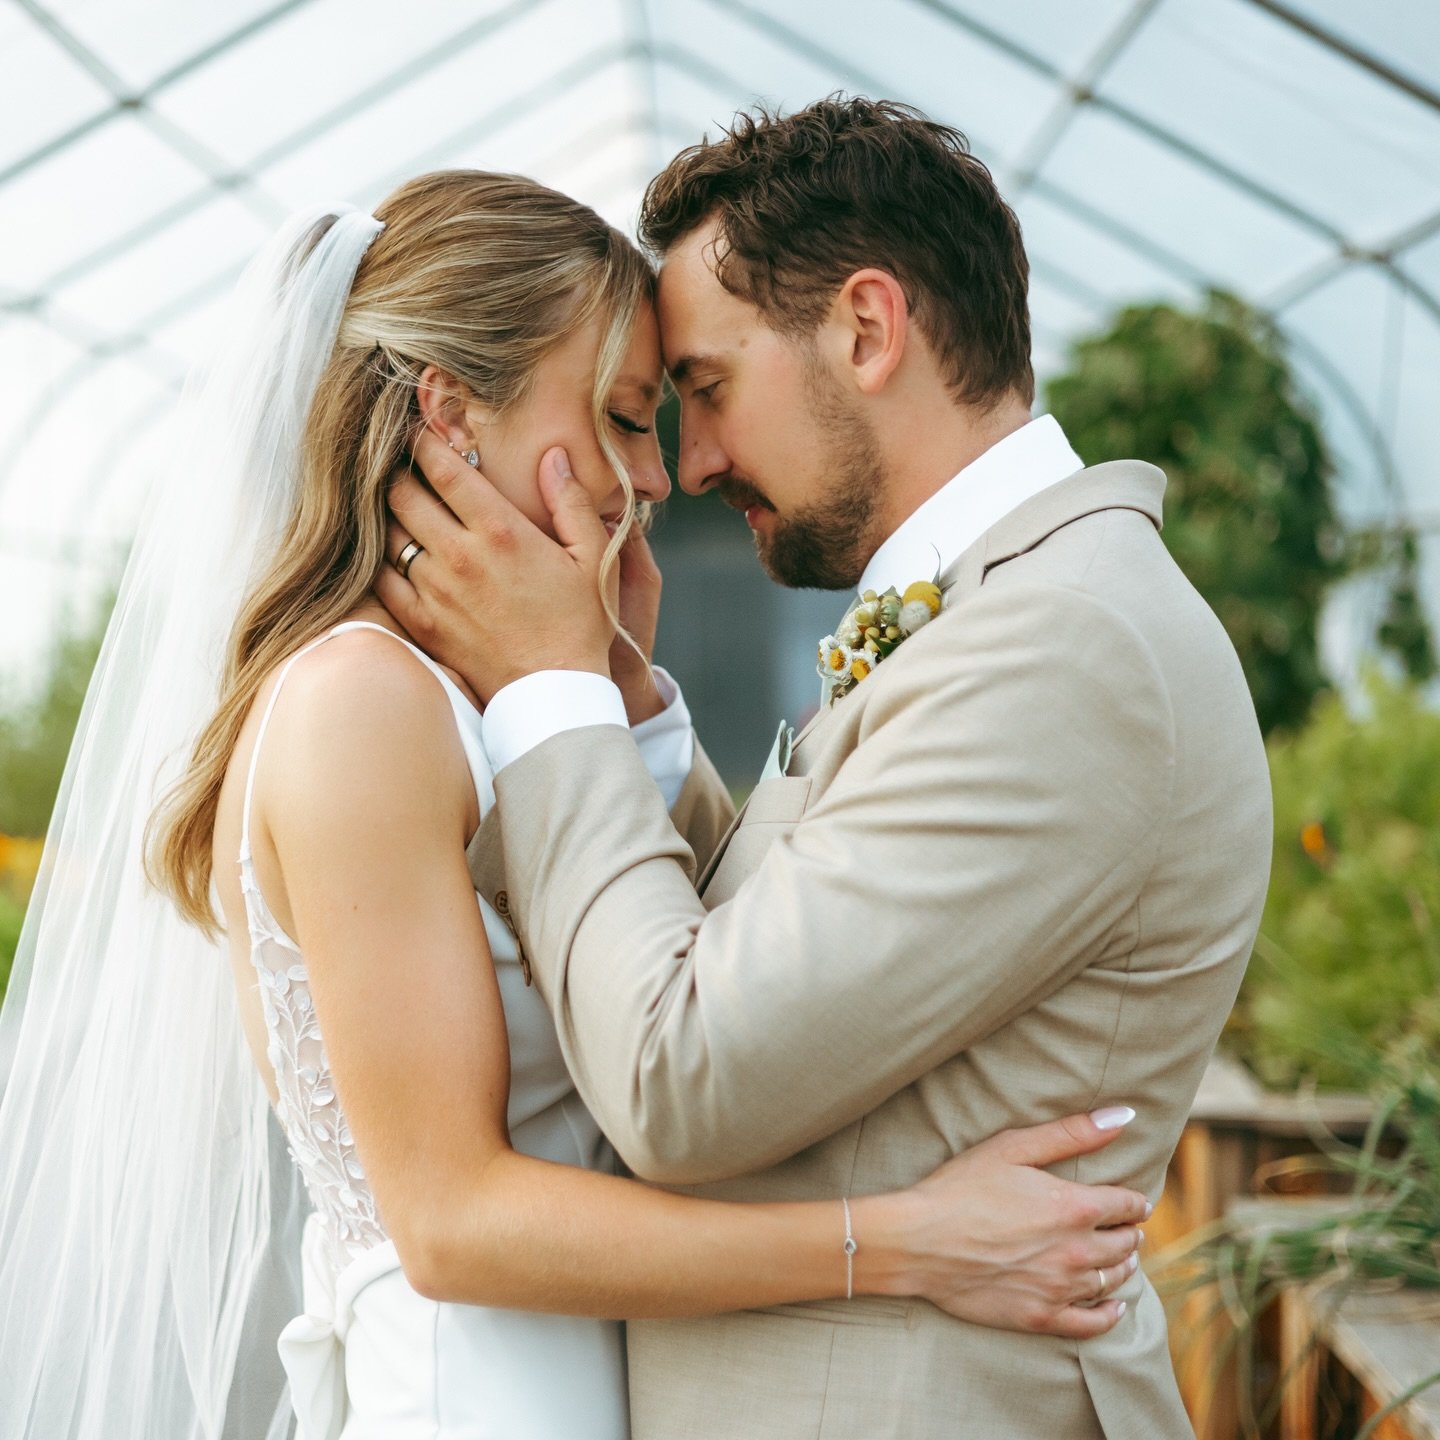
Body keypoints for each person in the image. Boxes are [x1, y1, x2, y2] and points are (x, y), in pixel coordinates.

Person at [0, 171, 1149, 1440]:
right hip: (480, 1396)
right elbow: (454, 1222)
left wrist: (618, 701)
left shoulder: (471, 702)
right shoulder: (360, 706)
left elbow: (692, 976)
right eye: (621, 416)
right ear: (449, 417)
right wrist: (907, 1242)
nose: (655, 478)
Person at [379, 100, 1275, 1439]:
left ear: (866, 329)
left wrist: (547, 693)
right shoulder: (1004, 610)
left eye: (706, 389)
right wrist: (626, 709)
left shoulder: (1063, 648)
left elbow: (683, 1075)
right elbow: (777, 960)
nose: (685, 467)